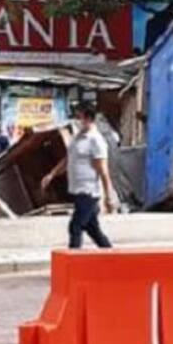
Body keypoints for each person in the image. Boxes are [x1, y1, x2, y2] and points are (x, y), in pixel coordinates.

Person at [41, 104, 117, 249]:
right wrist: (52, 174)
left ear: (88, 119)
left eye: (79, 117)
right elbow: (68, 159)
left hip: (88, 192)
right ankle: (110, 256)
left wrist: (109, 197)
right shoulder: (77, 137)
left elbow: (103, 170)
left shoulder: (96, 141)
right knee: (93, 230)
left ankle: (73, 260)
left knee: (75, 227)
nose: (76, 120)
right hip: (77, 190)